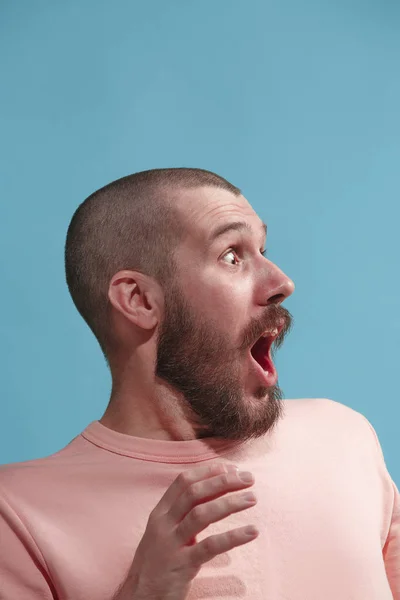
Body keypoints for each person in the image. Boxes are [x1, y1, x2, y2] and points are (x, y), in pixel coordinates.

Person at [0, 168, 398, 600]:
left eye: (263, 249)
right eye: (232, 255)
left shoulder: (343, 437)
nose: (283, 283)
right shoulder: (17, 514)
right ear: (139, 300)